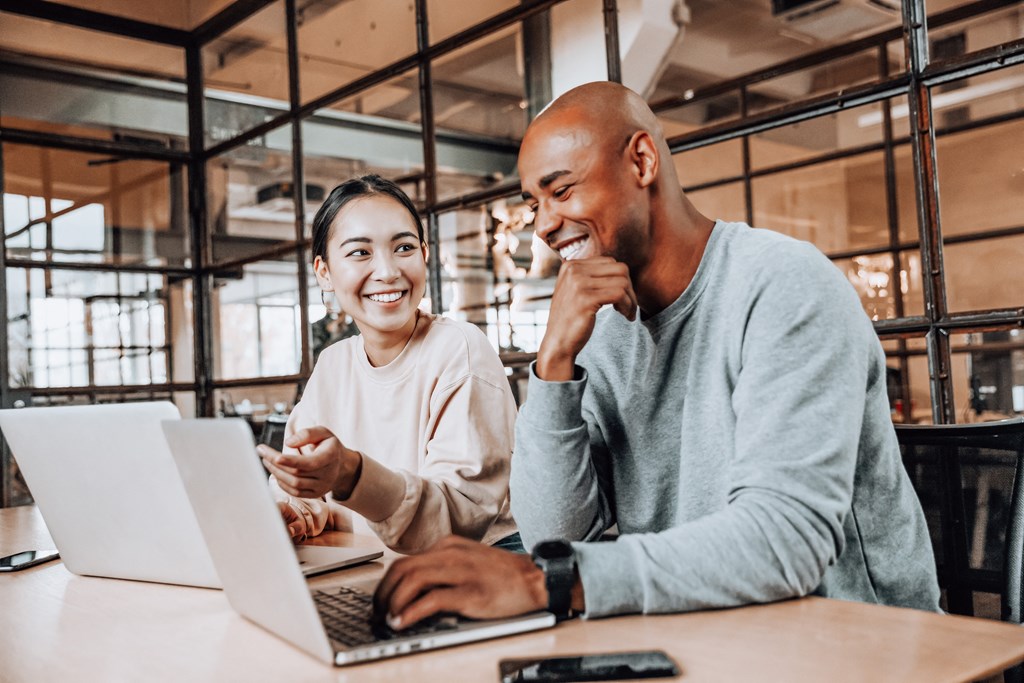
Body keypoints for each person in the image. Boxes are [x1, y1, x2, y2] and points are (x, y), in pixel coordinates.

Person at [372, 82, 940, 629]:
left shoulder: (782, 284)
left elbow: (786, 542)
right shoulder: (603, 329)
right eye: (533, 203)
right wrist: (553, 364)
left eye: (561, 190)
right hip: (703, 634)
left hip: (855, 647)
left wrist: (541, 582)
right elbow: (558, 534)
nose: (543, 225)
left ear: (642, 161)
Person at [258, 174, 521, 554]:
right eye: (360, 252)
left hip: (477, 566)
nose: (387, 271)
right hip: (374, 561)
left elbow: (454, 518)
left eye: (404, 247)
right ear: (324, 272)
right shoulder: (334, 364)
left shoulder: (459, 349)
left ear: (425, 255)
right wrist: (295, 511)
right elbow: (302, 483)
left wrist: (352, 473)